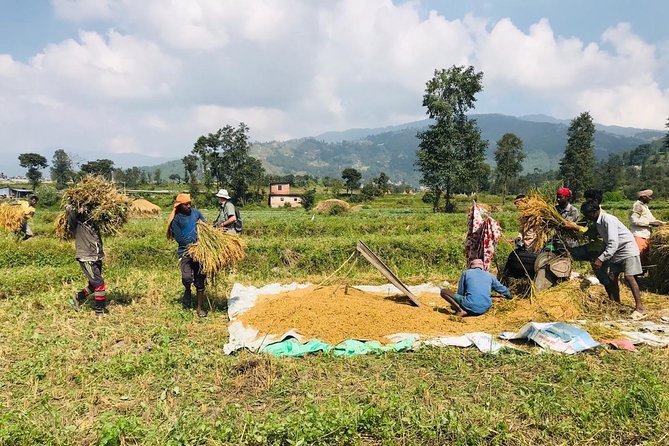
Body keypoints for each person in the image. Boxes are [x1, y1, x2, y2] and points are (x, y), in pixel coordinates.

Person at [580, 200, 646, 320]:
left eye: (587, 214)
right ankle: (616, 303)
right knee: (612, 277)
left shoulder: (608, 220)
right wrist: (599, 255)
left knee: (629, 277)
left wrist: (601, 259)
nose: (586, 217)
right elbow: (606, 242)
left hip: (627, 250)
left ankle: (640, 308)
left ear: (595, 211)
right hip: (616, 252)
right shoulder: (598, 223)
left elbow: (613, 243)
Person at [167, 193, 208, 317]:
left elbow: (206, 226)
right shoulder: (176, 220)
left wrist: (201, 245)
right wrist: (192, 247)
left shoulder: (196, 213)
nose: (189, 206)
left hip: (201, 251)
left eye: (190, 203)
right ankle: (188, 290)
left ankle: (199, 308)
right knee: (186, 278)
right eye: (186, 204)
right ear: (179, 206)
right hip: (185, 252)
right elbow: (180, 238)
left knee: (200, 279)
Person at [66, 202, 107, 316]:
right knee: (99, 283)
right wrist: (73, 209)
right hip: (86, 257)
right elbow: (70, 213)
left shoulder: (94, 222)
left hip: (97, 256)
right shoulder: (78, 224)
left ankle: (77, 297)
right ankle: (99, 311)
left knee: (93, 285)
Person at [440, 259, 512, 317]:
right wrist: (509, 296)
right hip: (485, 308)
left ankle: (460, 310)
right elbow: (502, 289)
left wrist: (457, 304)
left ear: (471, 266)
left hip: (470, 305)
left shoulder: (466, 273)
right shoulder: (490, 276)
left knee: (443, 291)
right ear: (483, 267)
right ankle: (464, 309)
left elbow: (460, 292)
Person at [629, 189, 665, 265]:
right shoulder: (637, 206)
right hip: (639, 235)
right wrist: (650, 223)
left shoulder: (644, 207)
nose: (650, 198)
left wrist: (663, 224)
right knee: (639, 257)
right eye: (649, 197)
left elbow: (652, 219)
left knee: (644, 258)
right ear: (643, 197)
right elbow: (634, 220)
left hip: (645, 235)